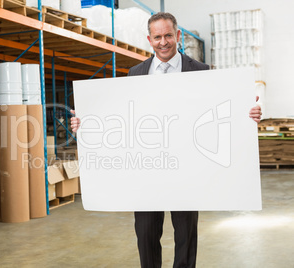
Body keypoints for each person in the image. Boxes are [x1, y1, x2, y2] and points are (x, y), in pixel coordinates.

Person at [70, 12, 262, 268]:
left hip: (188, 166)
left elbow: (220, 109)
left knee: (186, 234)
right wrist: (86, 123)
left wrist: (247, 114)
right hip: (149, 166)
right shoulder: (136, 73)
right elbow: (122, 118)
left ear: (178, 35)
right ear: (149, 39)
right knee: (146, 233)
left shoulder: (200, 71)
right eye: (157, 37)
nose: (163, 42)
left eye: (168, 35)